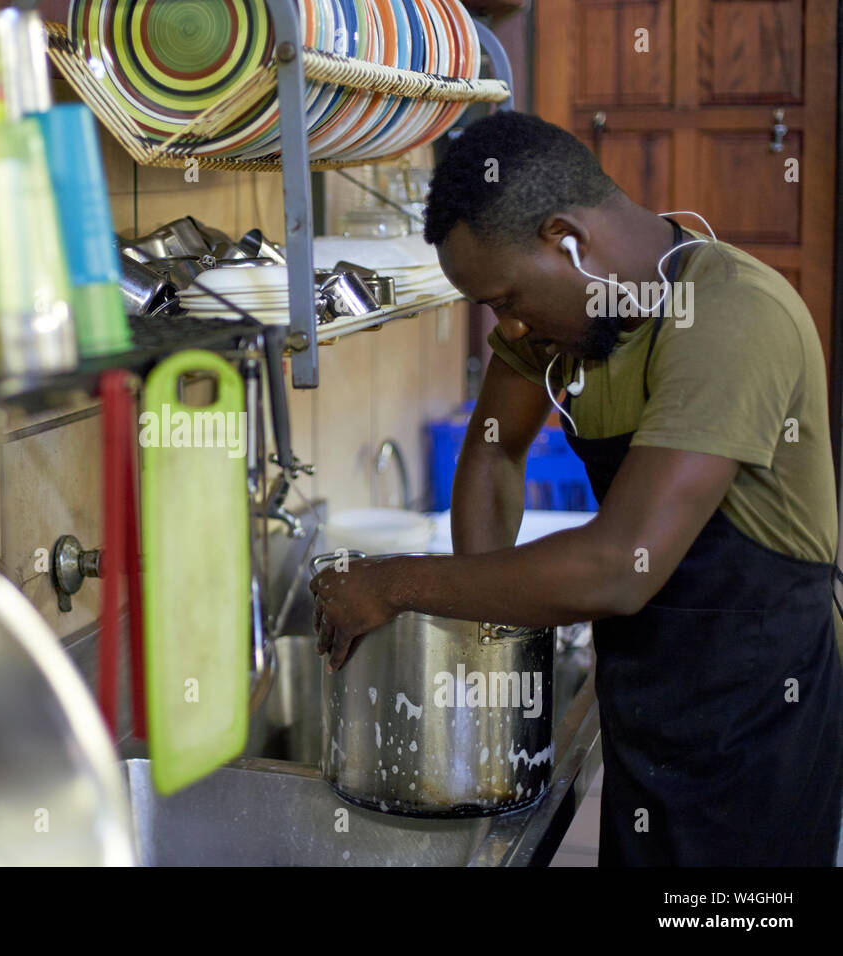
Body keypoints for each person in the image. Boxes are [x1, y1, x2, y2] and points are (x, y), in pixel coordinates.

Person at [309, 111, 843, 866]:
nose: (510, 331)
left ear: (568, 240)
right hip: (648, 715)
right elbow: (494, 455)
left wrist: (394, 585)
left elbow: (618, 566)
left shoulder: (729, 315)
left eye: (508, 299)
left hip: (758, 738)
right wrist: (487, 649)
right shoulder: (569, 324)